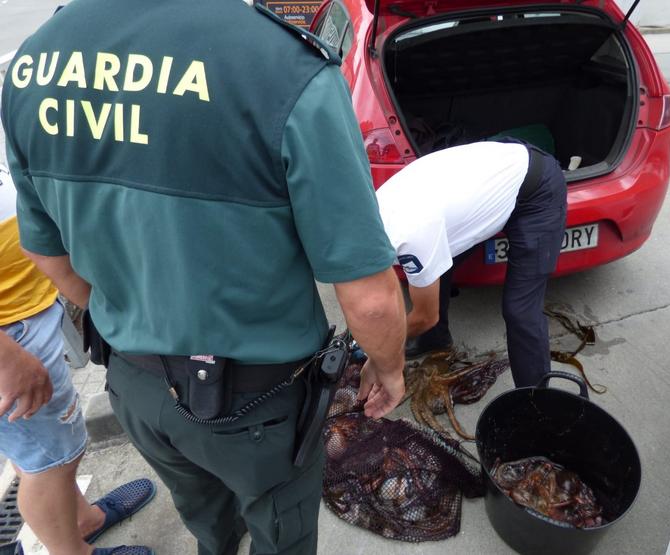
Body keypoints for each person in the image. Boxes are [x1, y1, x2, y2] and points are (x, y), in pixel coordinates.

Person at [1, 2, 407, 554]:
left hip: (134, 383)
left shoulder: (33, 63)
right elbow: (372, 299)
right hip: (258, 403)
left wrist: (126, 313)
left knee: (203, 514)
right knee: (280, 533)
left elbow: (45, 252)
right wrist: (389, 368)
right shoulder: (286, 68)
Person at [0, 165, 155, 555]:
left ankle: (82, 520)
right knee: (49, 464)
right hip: (10, 339)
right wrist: (6, 359)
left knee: (43, 449)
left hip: (22, 311)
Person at [376, 140, 567, 388]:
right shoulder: (377, 211)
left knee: (521, 311)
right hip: (494, 179)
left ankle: (535, 402)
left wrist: (379, 346)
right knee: (436, 270)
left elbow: (425, 316)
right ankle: (434, 340)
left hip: (538, 188)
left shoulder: (410, 234)